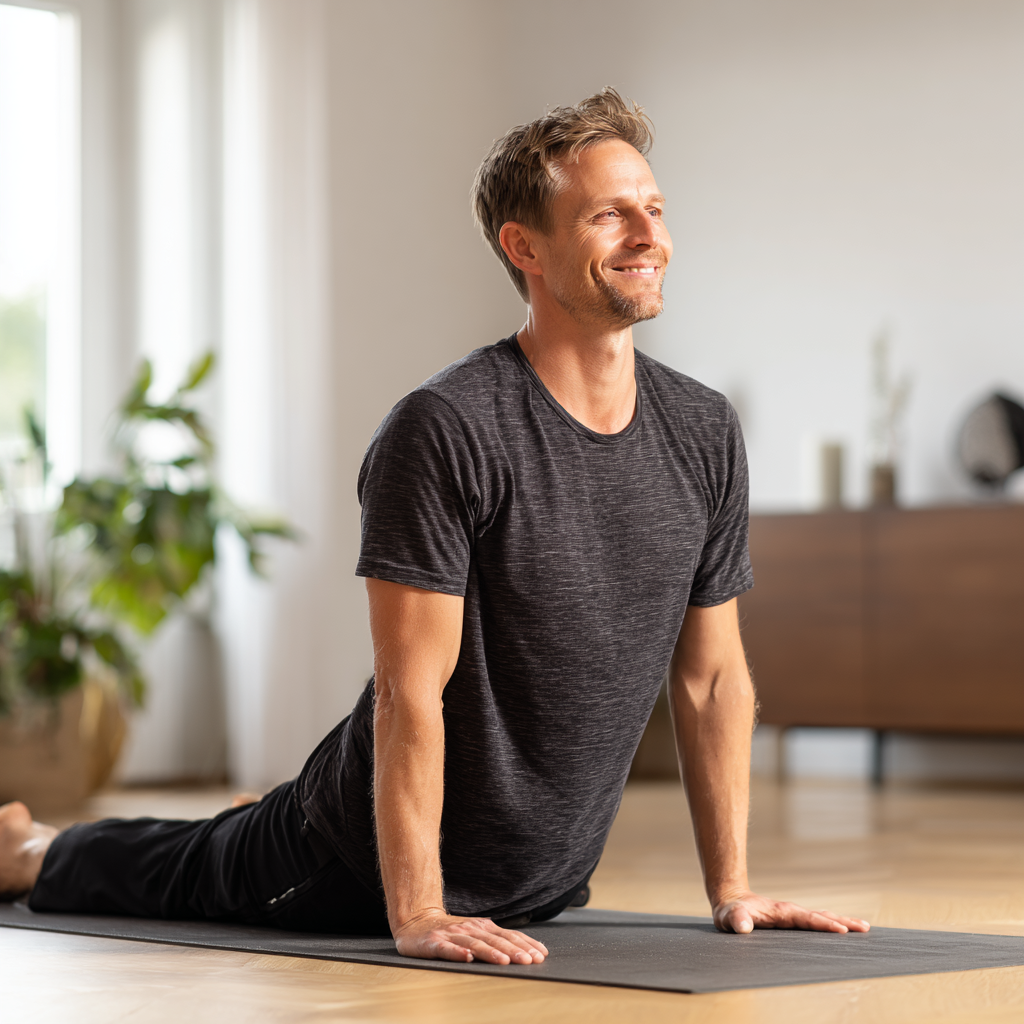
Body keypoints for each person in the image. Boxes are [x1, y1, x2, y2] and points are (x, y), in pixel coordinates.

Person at [0, 89, 869, 966]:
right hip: (348, 869)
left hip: (542, 882)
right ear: (523, 246)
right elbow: (407, 689)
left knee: (229, 836)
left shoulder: (703, 429)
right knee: (193, 868)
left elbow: (714, 679)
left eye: (654, 208)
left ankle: (236, 815)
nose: (649, 236)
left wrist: (733, 889)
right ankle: (33, 850)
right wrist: (415, 912)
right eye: (609, 215)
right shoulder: (448, 426)